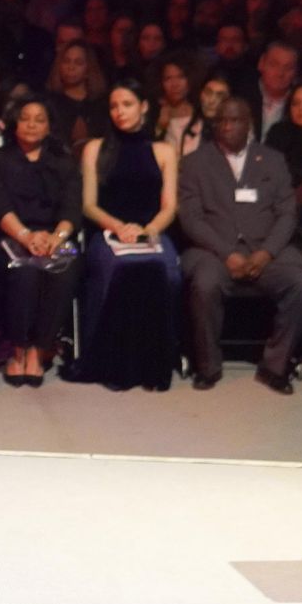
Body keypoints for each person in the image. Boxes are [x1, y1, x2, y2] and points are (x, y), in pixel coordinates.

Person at [178, 97, 302, 393]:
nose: (227, 126)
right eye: (221, 121)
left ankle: (275, 367)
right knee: (205, 283)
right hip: (213, 251)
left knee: (299, 285)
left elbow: (287, 213)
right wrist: (227, 253)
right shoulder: (195, 163)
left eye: (235, 120)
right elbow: (191, 218)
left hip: (265, 252)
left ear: (249, 123)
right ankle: (208, 366)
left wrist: (266, 253)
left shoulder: (273, 160)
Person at [74, 81, 182, 390]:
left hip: (151, 230)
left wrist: (147, 231)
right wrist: (119, 227)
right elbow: (89, 205)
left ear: (144, 106)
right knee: (117, 269)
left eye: (127, 104)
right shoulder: (95, 148)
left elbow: (170, 206)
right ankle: (112, 362)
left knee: (169, 274)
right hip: (108, 231)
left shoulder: (163, 150)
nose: (119, 112)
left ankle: (156, 361)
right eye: (114, 106)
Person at [0, 97, 82, 387]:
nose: (32, 124)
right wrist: (25, 236)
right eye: (26, 118)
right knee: (24, 270)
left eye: (40, 119)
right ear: (15, 123)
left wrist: (56, 238)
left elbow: (72, 209)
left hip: (54, 236)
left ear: (49, 127)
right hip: (6, 235)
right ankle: (18, 349)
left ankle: (40, 349)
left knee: (66, 266)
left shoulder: (63, 164)